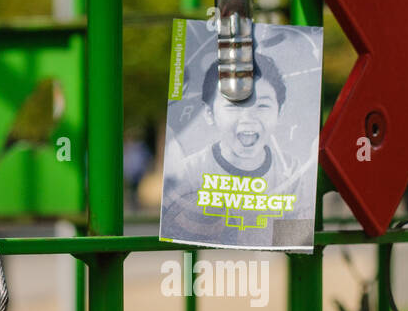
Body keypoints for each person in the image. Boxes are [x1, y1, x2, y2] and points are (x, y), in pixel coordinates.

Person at [161, 55, 316, 248]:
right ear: (209, 113)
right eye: (234, 105)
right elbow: (176, 234)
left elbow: (293, 244)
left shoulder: (292, 173)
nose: (248, 118)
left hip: (267, 272)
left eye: (262, 105)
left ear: (279, 111)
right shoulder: (190, 173)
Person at [122, 128, 153, 213]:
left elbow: (146, 158)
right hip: (130, 171)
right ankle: (132, 203)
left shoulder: (139, 146)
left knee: (134, 188)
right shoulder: (128, 146)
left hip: (136, 171)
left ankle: (133, 204)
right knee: (131, 188)